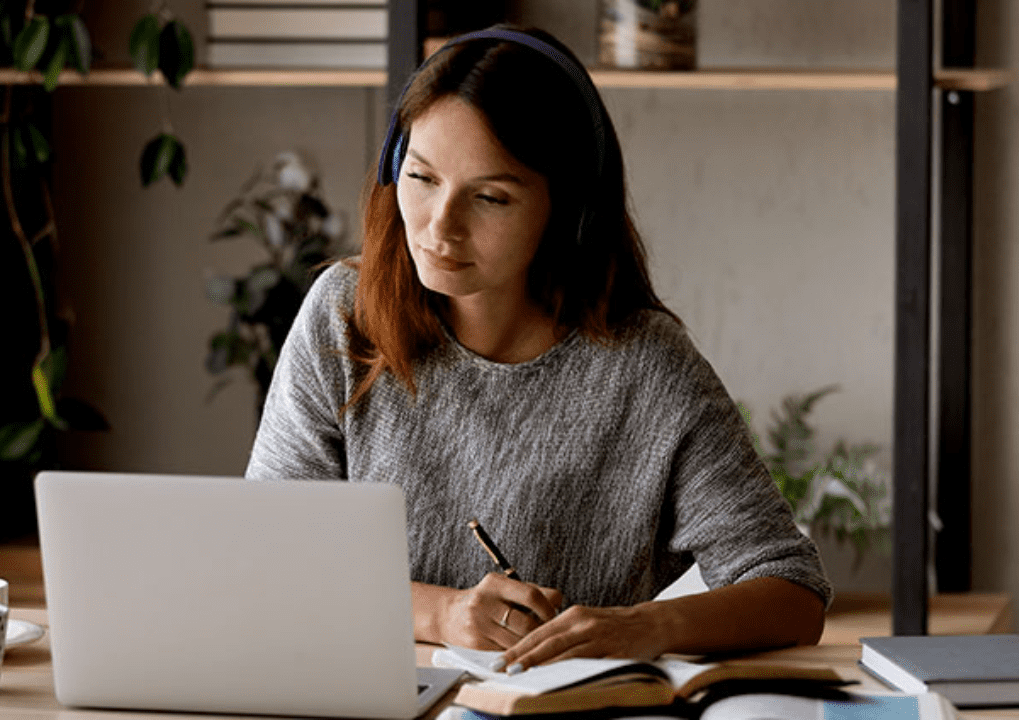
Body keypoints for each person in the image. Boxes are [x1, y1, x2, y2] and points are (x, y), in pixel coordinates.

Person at [246, 25, 830, 672]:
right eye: (421, 177)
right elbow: (271, 561)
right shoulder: (342, 314)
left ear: (569, 211)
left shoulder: (645, 365)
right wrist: (442, 613)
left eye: (489, 197)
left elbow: (792, 591)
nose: (439, 226)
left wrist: (642, 627)